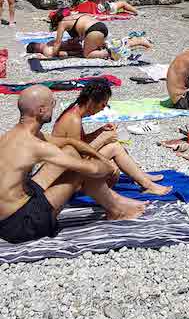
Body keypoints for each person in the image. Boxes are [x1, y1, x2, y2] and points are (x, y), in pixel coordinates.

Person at [0, 86, 146, 243]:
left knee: (70, 151)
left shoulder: (12, 135)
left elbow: (71, 142)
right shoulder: (35, 144)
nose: (55, 107)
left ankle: (116, 202)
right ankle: (117, 210)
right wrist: (108, 167)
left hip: (11, 211)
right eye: (52, 103)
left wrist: (100, 157)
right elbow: (91, 169)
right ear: (41, 110)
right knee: (82, 169)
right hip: (21, 225)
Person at [52, 83, 171, 195]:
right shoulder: (73, 119)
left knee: (114, 145)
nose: (103, 108)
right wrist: (103, 139)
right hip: (65, 177)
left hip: (66, 168)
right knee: (114, 147)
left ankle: (142, 177)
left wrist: (99, 131)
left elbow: (79, 142)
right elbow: (78, 157)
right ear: (91, 102)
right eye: (103, 104)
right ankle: (147, 184)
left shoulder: (74, 112)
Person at [46, 8, 111, 59]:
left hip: (93, 30)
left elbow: (57, 43)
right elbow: (79, 36)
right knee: (94, 48)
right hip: (102, 27)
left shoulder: (62, 23)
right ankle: (106, 47)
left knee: (87, 54)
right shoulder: (75, 16)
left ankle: (108, 53)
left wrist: (53, 55)